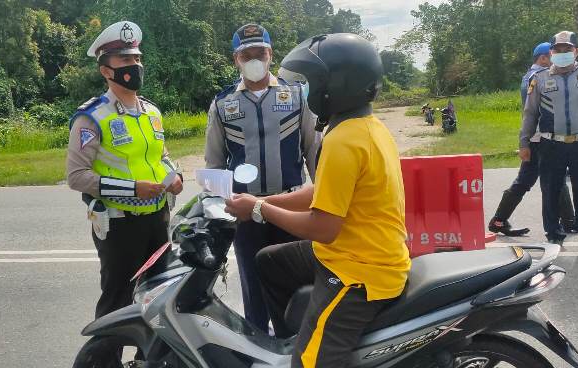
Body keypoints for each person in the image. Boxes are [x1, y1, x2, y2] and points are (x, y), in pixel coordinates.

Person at [225, 33, 410, 367]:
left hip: (359, 270)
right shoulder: (363, 127)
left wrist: (258, 209)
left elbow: (323, 227)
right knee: (269, 262)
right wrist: (269, 200)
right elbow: (324, 190)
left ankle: (307, 348)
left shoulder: (344, 141)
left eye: (309, 85)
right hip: (354, 250)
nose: (305, 93)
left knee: (311, 362)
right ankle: (292, 337)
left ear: (334, 86)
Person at [204, 23, 320, 331]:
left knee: (297, 293)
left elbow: (314, 153)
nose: (255, 59)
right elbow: (214, 164)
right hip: (246, 215)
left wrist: (324, 200)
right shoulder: (223, 104)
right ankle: (258, 351)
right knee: (254, 294)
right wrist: (218, 211)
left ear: (271, 55)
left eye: (261, 53)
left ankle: (296, 351)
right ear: (236, 60)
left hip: (291, 208)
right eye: (247, 54)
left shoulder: (296, 96)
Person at [66, 20, 183, 323]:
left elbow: (162, 155)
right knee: (118, 302)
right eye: (126, 60)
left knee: (160, 297)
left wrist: (175, 176)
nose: (135, 65)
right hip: (120, 226)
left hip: (158, 220)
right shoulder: (92, 117)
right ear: (106, 70)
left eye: (137, 58)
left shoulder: (151, 112)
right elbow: (77, 177)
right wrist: (133, 189)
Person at [520, 31, 578, 258]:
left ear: (577, 51)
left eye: (567, 49)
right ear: (551, 52)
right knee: (551, 192)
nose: (562, 53)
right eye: (558, 50)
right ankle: (553, 236)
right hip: (551, 144)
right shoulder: (540, 78)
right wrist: (524, 142)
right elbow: (530, 114)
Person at [489, 42, 577, 236]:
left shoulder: (530, 75)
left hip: (534, 137)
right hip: (541, 138)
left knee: (527, 179)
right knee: (556, 177)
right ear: (543, 58)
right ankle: (569, 221)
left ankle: (499, 220)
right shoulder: (537, 77)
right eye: (552, 55)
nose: (556, 58)